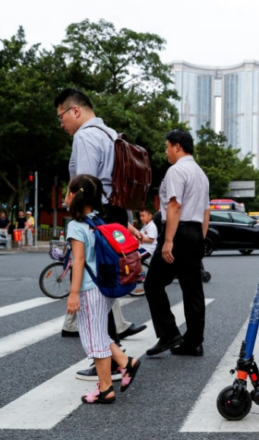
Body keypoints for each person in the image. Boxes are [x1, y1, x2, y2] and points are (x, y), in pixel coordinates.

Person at [54, 88, 146, 380]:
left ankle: (109, 364)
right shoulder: (111, 134)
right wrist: (125, 222)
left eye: (61, 116)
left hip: (97, 216)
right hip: (114, 215)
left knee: (93, 288)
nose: (61, 124)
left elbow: (84, 185)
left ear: (75, 110)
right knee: (104, 288)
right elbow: (119, 185)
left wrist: (79, 216)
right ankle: (116, 358)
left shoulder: (85, 136)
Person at [64, 174, 141, 404]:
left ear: (74, 195)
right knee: (100, 334)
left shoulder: (76, 226)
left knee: (94, 341)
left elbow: (78, 261)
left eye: (67, 191)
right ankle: (126, 362)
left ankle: (106, 389)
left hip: (89, 290)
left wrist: (73, 293)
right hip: (104, 287)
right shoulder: (99, 221)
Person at [144, 129, 210, 357]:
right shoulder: (201, 174)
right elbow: (206, 211)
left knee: (152, 283)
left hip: (177, 232)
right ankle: (194, 342)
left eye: (167, 147)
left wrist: (168, 240)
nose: (166, 152)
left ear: (177, 147)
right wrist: (200, 238)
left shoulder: (176, 170)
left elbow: (174, 205)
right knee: (193, 290)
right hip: (194, 233)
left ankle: (169, 333)